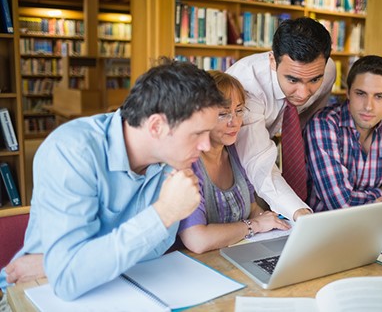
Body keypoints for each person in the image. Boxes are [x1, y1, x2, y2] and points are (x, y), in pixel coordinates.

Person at [0, 58, 226, 301]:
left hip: (117, 287)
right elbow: (67, 279)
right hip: (33, 292)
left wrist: (57, 263)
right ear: (157, 126)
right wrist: (163, 214)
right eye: (198, 134)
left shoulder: (174, 161)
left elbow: (153, 249)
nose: (206, 145)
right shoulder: (71, 150)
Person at [226, 17, 336, 221]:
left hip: (271, 141)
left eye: (314, 80)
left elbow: (309, 116)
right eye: (293, 79)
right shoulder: (247, 87)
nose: (303, 93)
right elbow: (258, 163)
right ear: (272, 61)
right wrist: (300, 213)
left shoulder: (328, 71)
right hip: (231, 155)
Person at [178, 71, 290, 254]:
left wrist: (276, 224)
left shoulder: (236, 151)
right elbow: (197, 240)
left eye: (239, 111)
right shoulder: (188, 164)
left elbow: (252, 208)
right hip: (197, 266)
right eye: (223, 114)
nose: (235, 122)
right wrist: (254, 225)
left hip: (237, 255)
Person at [305, 55, 382, 213]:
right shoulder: (323, 124)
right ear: (348, 92)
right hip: (327, 226)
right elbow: (341, 203)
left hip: (376, 221)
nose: (368, 107)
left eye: (379, 96)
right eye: (361, 94)